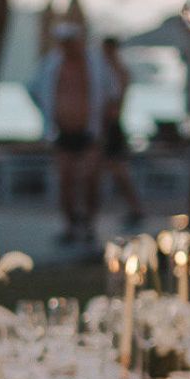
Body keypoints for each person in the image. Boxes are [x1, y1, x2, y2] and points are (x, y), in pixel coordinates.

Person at [29, 14, 106, 245]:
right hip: (62, 131)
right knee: (66, 180)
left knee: (91, 178)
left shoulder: (94, 64)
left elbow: (113, 91)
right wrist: (48, 114)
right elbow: (33, 88)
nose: (67, 46)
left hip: (89, 132)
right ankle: (70, 225)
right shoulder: (52, 64)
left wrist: (107, 118)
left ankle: (89, 223)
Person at [94, 37, 143, 226]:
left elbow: (115, 102)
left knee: (118, 170)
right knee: (106, 170)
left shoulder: (118, 71)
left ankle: (135, 208)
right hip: (108, 125)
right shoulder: (109, 71)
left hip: (111, 126)